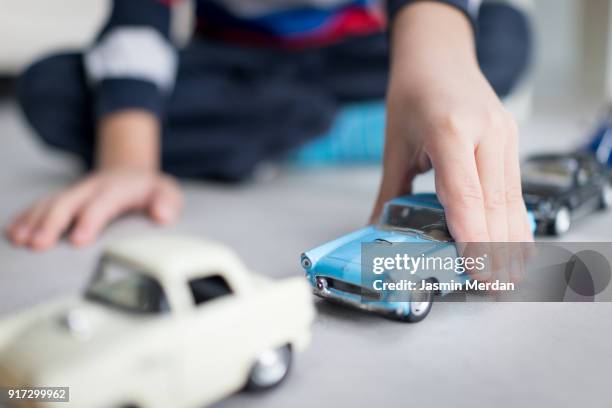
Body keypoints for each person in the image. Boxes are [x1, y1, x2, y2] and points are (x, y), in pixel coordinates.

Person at [6, 0, 533, 250]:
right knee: (50, 89)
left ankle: (284, 131)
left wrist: (437, 60)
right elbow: (139, 23)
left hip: (364, 52)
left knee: (503, 35)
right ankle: (327, 129)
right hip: (236, 67)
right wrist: (127, 160)